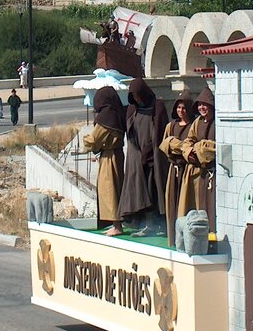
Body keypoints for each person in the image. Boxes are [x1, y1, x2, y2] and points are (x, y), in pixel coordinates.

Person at [119, 79, 169, 237]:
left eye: (139, 95)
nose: (138, 99)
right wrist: (137, 154)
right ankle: (149, 225)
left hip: (154, 156)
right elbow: (129, 132)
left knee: (155, 189)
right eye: (134, 96)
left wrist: (151, 151)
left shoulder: (157, 106)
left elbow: (161, 130)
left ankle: (162, 225)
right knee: (142, 191)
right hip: (137, 157)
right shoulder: (132, 109)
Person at [83, 87, 126, 236]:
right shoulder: (116, 113)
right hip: (117, 154)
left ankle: (117, 225)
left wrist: (86, 144)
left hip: (109, 157)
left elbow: (94, 139)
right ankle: (116, 223)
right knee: (116, 187)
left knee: (110, 189)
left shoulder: (106, 117)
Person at [158, 93, 194, 246]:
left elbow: (191, 147)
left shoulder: (194, 126)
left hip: (187, 170)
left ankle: (185, 239)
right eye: (179, 107)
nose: (181, 110)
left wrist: (177, 145)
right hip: (174, 170)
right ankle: (172, 238)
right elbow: (165, 145)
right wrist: (180, 146)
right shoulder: (171, 126)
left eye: (184, 108)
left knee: (185, 204)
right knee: (172, 203)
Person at [180, 88, 217, 232]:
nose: (202, 107)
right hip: (198, 172)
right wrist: (190, 152)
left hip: (213, 172)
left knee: (212, 206)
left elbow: (216, 146)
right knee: (199, 205)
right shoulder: (197, 122)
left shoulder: (217, 122)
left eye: (205, 104)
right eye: (200, 105)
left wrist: (201, 148)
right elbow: (188, 141)